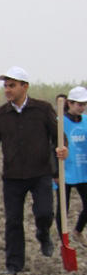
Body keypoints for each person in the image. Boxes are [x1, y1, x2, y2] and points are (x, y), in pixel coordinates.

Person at [0, 66, 60, 274]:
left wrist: (63, 150)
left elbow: (59, 138)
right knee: (13, 222)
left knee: (44, 213)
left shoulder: (43, 110)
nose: (7, 90)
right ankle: (14, 266)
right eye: (6, 86)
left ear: (24, 87)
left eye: (12, 86)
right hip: (13, 177)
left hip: (40, 173)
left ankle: (43, 234)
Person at [57, 87, 87, 245]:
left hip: (83, 171)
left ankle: (78, 231)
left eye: (84, 104)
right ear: (69, 103)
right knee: (63, 209)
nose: (82, 107)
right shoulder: (59, 122)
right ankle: (64, 241)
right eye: (78, 104)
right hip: (65, 171)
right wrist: (54, 171)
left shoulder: (86, 121)